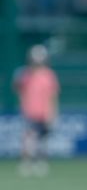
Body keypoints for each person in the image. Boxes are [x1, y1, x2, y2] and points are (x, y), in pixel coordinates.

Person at [13, 44, 60, 176]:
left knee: (42, 139)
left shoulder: (49, 75)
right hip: (29, 111)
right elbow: (18, 89)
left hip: (44, 112)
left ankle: (41, 162)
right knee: (29, 138)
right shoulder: (25, 74)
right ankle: (27, 163)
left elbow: (53, 96)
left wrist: (53, 113)